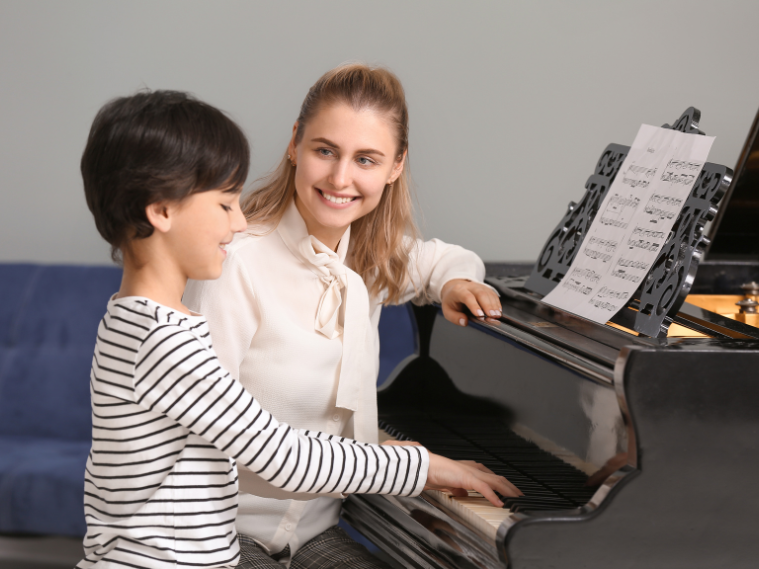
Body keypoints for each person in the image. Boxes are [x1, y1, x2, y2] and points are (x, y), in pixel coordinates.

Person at [76, 90, 519, 569]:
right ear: (161, 211)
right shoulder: (166, 342)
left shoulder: (136, 320)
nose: (240, 221)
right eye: (226, 205)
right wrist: (423, 466)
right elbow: (281, 454)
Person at [183, 64, 505, 567]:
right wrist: (415, 466)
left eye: (366, 159)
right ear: (295, 143)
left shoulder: (366, 255)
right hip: (220, 531)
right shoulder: (236, 263)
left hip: (314, 532)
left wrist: (457, 281)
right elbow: (214, 441)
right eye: (325, 150)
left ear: (396, 166)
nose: (340, 178)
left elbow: (438, 260)